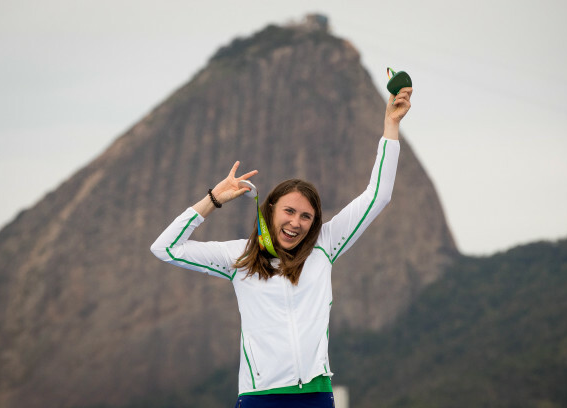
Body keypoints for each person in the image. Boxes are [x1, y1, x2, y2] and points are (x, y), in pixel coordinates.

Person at [150, 87, 412, 407]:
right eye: (289, 211)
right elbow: (166, 248)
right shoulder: (238, 257)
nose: (296, 222)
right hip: (259, 398)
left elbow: (378, 196)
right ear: (270, 209)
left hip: (316, 396)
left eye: (306, 216)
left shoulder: (326, 245)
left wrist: (391, 125)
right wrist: (213, 199)